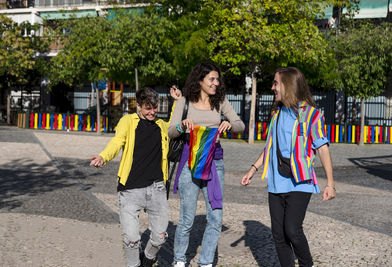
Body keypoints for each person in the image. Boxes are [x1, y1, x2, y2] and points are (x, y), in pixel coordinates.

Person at [241, 67, 336, 267]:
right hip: (277, 182)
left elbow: (323, 148)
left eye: (276, 83)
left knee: (292, 229)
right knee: (278, 234)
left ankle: (306, 264)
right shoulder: (276, 113)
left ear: (288, 85)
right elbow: (270, 147)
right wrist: (253, 169)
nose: (272, 87)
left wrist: (330, 183)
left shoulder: (312, 115)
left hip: (301, 182)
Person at [90, 87, 180, 267]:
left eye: (155, 107)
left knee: (160, 237)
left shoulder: (161, 125)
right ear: (138, 106)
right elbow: (117, 141)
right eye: (148, 108)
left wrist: (177, 101)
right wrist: (103, 156)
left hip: (157, 189)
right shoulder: (127, 122)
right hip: (130, 189)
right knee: (131, 239)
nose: (153, 112)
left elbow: (174, 124)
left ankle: (147, 260)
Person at [169, 62, 245, 267]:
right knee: (186, 218)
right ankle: (179, 260)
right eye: (212, 79)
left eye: (217, 79)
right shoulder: (184, 101)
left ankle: (205, 262)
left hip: (215, 163)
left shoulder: (220, 101)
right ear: (200, 80)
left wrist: (230, 125)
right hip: (189, 163)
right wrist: (181, 125)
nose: (216, 83)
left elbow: (240, 125)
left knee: (216, 217)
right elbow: (170, 131)